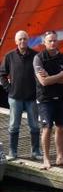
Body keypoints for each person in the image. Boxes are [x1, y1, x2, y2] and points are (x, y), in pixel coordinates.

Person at [33, 31, 63, 169]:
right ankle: (46, 159)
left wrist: (53, 77)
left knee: (62, 127)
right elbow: (43, 82)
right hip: (45, 99)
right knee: (47, 128)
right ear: (44, 42)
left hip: (60, 97)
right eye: (50, 41)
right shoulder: (39, 58)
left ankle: (60, 157)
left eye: (55, 40)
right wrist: (60, 75)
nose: (53, 43)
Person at [0, 30, 41, 160]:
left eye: (24, 39)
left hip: (32, 98)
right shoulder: (9, 56)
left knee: (34, 125)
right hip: (15, 97)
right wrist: (9, 89)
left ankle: (35, 152)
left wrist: (38, 91)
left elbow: (40, 75)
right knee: (13, 126)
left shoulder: (36, 55)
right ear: (16, 41)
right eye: (20, 39)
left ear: (28, 40)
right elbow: (2, 75)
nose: (22, 41)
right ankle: (13, 152)